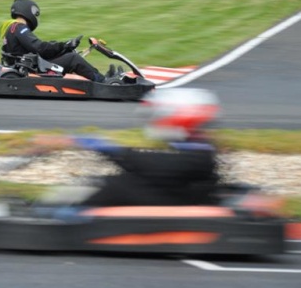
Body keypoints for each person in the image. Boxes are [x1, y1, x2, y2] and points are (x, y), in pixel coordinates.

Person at [74, 88, 222, 206]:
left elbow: (154, 164)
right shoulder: (196, 147)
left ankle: (66, 226)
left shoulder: (198, 156)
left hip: (179, 215)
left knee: (122, 184)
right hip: (176, 203)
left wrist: (114, 150)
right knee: (118, 181)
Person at [1, 0, 121, 83]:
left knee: (68, 53)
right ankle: (104, 81)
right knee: (73, 59)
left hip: (28, 63)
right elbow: (40, 48)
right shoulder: (19, 28)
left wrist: (62, 47)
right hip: (33, 67)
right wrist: (63, 46)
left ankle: (100, 76)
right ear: (26, 10)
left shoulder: (11, 28)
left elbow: (36, 47)